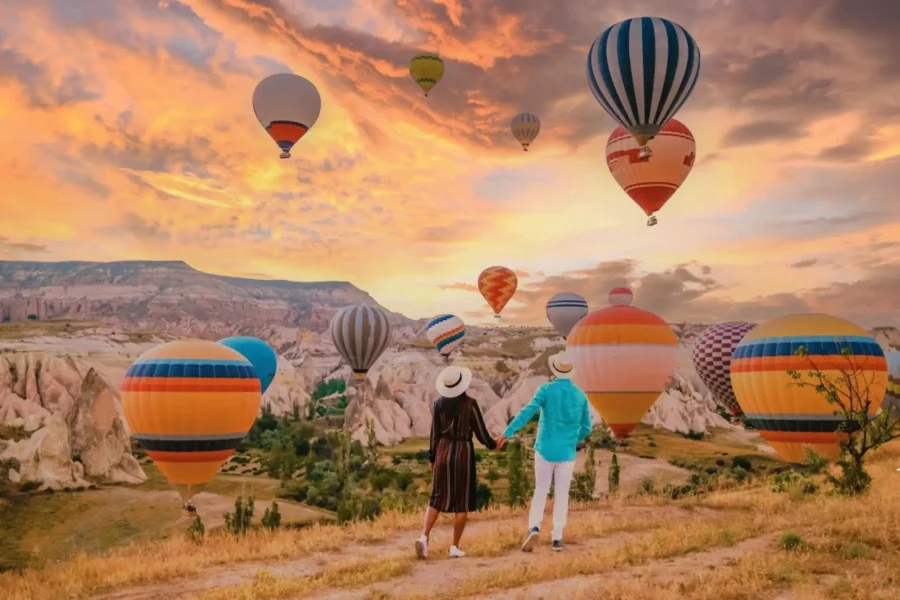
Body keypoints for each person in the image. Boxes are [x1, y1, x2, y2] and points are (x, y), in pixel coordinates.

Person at [497, 350, 592, 552]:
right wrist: (572, 440)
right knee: (562, 493)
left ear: (555, 369)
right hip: (566, 454)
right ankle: (557, 538)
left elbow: (527, 411)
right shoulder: (580, 395)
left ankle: (534, 527)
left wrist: (508, 432)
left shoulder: (545, 389)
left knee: (541, 489)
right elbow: (587, 428)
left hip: (545, 449)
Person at [415, 365, 504, 559]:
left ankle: (424, 537)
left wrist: (432, 457)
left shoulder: (438, 404)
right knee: (462, 501)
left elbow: (434, 433)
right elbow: (480, 432)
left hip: (442, 452)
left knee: (436, 498)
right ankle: (454, 547)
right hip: (463, 453)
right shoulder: (470, 404)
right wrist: (493, 444)